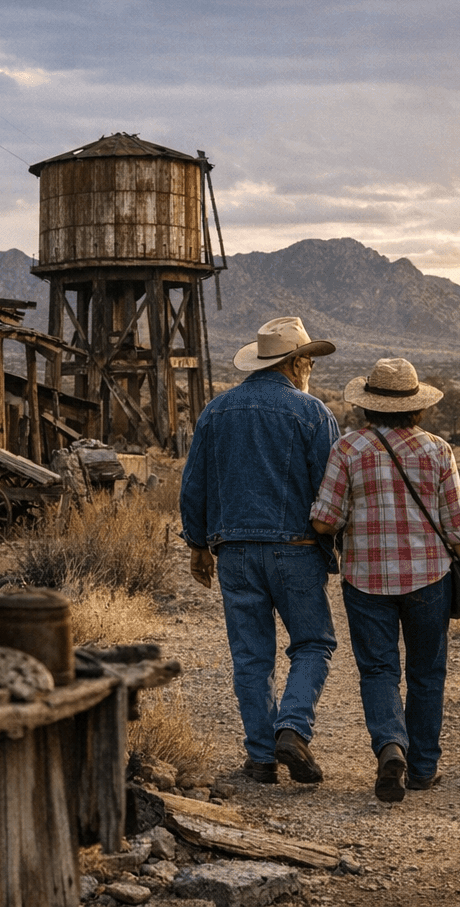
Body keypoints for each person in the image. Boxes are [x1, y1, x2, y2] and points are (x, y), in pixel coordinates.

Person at [180, 316, 341, 785]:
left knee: (251, 656)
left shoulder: (216, 411)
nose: (310, 367)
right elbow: (331, 491)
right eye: (308, 360)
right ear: (296, 363)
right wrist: (334, 544)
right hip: (296, 549)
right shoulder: (313, 413)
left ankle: (261, 757)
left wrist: (197, 545)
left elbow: (194, 485)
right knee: (313, 643)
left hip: (233, 552)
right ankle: (292, 728)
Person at [309, 357, 460, 803]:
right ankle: (422, 769)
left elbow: (325, 521)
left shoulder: (347, 449)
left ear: (368, 404)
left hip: (365, 580)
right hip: (430, 579)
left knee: (378, 670)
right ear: (417, 406)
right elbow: (458, 526)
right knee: (427, 673)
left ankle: (390, 747)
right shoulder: (438, 450)